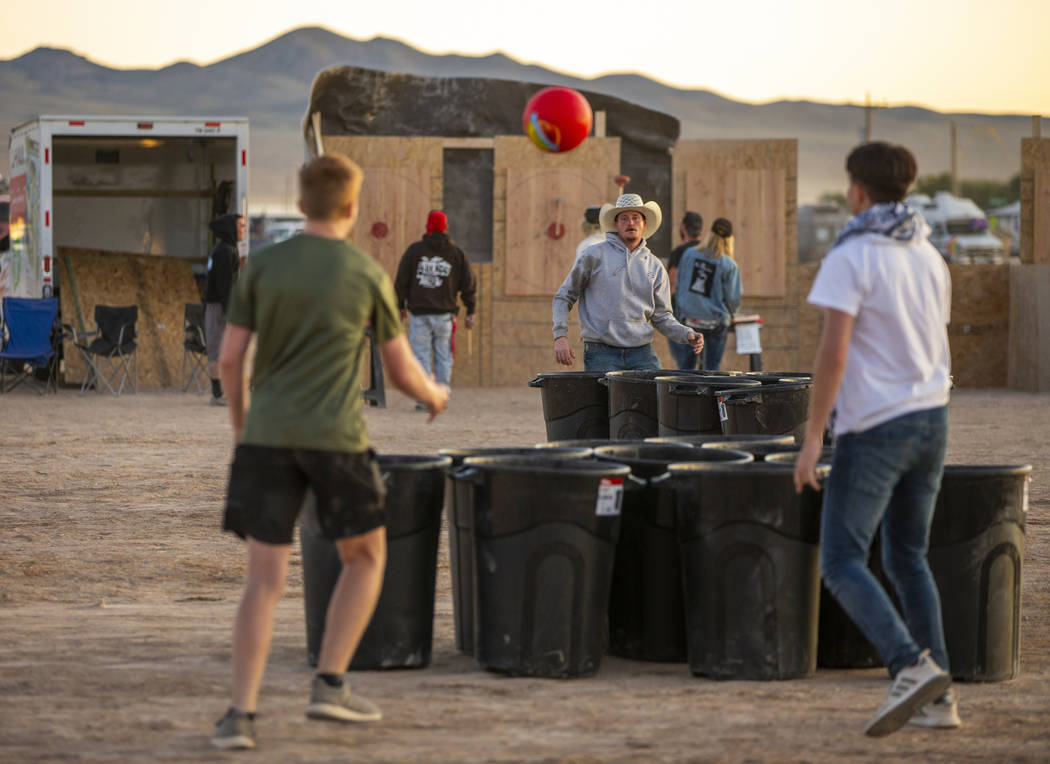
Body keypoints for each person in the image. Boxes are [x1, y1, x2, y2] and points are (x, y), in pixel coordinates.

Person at [210, 153, 449, 750]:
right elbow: (400, 373)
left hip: (266, 438)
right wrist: (435, 394)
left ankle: (239, 718)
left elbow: (230, 360)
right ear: (352, 208)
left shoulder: (262, 267)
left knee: (262, 582)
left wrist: (244, 432)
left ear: (298, 205)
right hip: (337, 440)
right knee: (366, 558)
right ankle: (330, 685)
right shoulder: (364, 273)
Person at [794, 141, 956, 737]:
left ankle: (909, 665)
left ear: (856, 191)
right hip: (931, 418)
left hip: (877, 427)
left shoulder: (853, 254)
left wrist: (812, 440)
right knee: (908, 557)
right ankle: (939, 696)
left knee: (839, 559)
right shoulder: (928, 256)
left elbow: (833, 353)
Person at [552, 193, 703, 372]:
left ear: (644, 223)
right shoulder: (593, 255)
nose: (630, 223)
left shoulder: (655, 266)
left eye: (635, 218)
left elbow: (662, 317)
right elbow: (564, 296)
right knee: (603, 401)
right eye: (624, 218)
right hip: (601, 352)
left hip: (642, 352)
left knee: (655, 398)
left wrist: (686, 334)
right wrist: (560, 336)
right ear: (616, 224)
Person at [394, 210, 477, 406]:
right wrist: (470, 310)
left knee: (421, 356)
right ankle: (440, 397)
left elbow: (401, 281)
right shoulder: (457, 254)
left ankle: (424, 399)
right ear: (446, 227)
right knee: (443, 357)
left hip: (420, 315)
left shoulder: (414, 251)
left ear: (427, 228)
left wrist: (400, 306)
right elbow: (469, 284)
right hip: (445, 316)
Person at [673, 217, 742, 371]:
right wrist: (732, 314)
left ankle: (684, 394)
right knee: (713, 368)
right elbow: (733, 299)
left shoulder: (689, 254)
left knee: (686, 369)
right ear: (730, 239)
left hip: (689, 320)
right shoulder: (729, 265)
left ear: (709, 234)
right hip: (715, 323)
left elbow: (679, 287)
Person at [202, 212, 245, 406]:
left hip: (220, 305)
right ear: (231, 228)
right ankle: (217, 394)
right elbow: (225, 285)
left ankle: (222, 391)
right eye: (241, 226)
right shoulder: (225, 252)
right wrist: (230, 313)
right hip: (219, 306)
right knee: (217, 348)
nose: (244, 229)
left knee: (220, 347)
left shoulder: (225, 249)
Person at [666, 211, 705, 369]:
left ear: (683, 229)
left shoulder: (680, 252)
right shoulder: (708, 251)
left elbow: (672, 282)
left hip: (683, 312)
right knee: (709, 365)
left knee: (685, 364)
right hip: (706, 313)